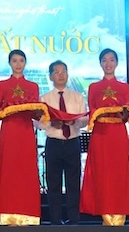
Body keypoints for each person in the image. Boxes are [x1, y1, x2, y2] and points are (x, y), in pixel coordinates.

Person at [80, 48, 129, 226]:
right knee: (102, 173)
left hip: (118, 133)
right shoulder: (94, 87)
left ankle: (119, 216)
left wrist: (124, 114)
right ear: (101, 64)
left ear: (117, 63)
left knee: (119, 174)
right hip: (100, 134)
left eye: (111, 60)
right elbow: (92, 112)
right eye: (104, 60)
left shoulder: (124, 87)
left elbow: (127, 113)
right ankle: (104, 214)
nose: (108, 64)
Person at [0, 49, 42, 225]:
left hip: (26, 133)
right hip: (9, 132)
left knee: (26, 171)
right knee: (9, 171)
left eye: (21, 60)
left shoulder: (33, 86)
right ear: (10, 63)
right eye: (14, 60)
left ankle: (28, 213)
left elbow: (36, 113)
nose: (18, 64)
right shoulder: (2, 85)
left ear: (25, 62)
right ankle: (9, 214)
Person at [37, 60, 88, 225]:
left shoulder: (77, 97)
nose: (61, 75)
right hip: (54, 143)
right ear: (51, 76)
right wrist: (51, 123)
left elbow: (85, 119)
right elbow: (37, 122)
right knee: (54, 183)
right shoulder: (44, 98)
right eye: (57, 72)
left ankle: (74, 219)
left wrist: (75, 122)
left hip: (73, 142)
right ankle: (55, 220)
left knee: (74, 183)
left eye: (63, 71)